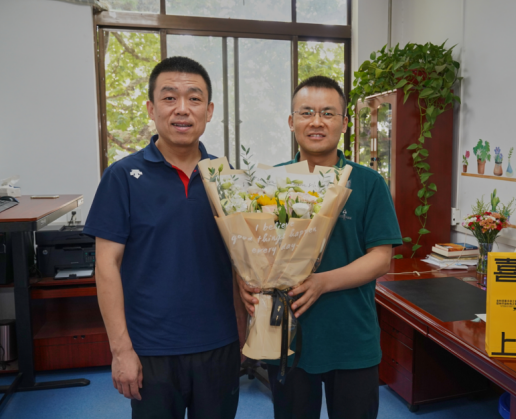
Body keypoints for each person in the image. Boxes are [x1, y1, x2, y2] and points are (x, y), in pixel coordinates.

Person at [84, 56, 244, 419]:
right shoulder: (122, 177)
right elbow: (106, 266)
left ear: (209, 110)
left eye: (194, 98)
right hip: (151, 349)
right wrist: (121, 350)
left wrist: (244, 330)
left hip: (218, 344)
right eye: (169, 98)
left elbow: (240, 262)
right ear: (151, 109)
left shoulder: (227, 177)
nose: (182, 109)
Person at [238, 76, 402, 419]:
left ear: (344, 123)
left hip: (350, 336)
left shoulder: (368, 183)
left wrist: (322, 282)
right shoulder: (270, 182)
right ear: (291, 121)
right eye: (306, 112)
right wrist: (245, 279)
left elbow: (380, 258)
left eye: (328, 113)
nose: (316, 122)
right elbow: (252, 250)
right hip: (288, 336)